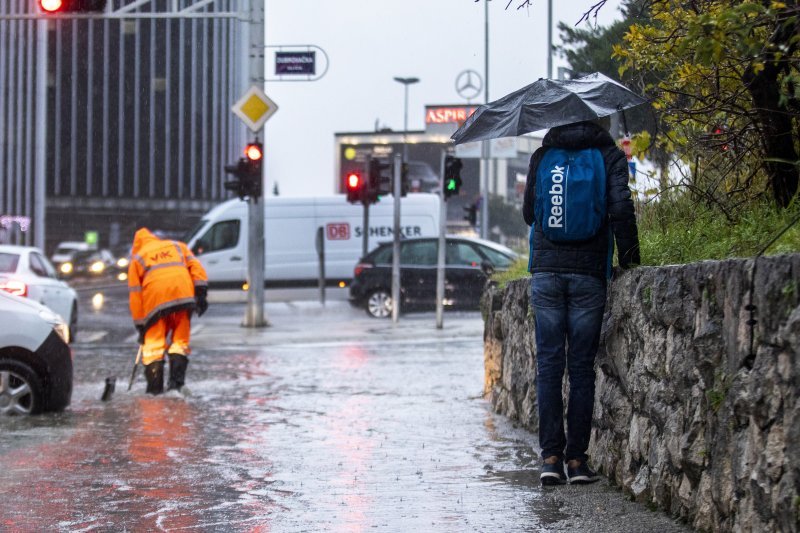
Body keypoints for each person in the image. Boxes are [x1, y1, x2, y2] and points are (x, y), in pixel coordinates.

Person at [522, 118, 640, 485]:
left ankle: (550, 459)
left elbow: (529, 214)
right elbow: (621, 208)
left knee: (549, 365)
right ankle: (576, 462)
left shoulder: (543, 155)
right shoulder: (608, 155)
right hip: (589, 273)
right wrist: (631, 258)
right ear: (597, 119)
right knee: (581, 368)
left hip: (546, 272)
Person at [128, 228, 209, 395]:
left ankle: (155, 391)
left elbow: (136, 295)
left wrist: (140, 325)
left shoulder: (137, 258)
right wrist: (201, 293)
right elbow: (196, 268)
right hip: (183, 299)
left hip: (156, 305)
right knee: (180, 343)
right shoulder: (177, 246)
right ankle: (176, 387)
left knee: (153, 349)